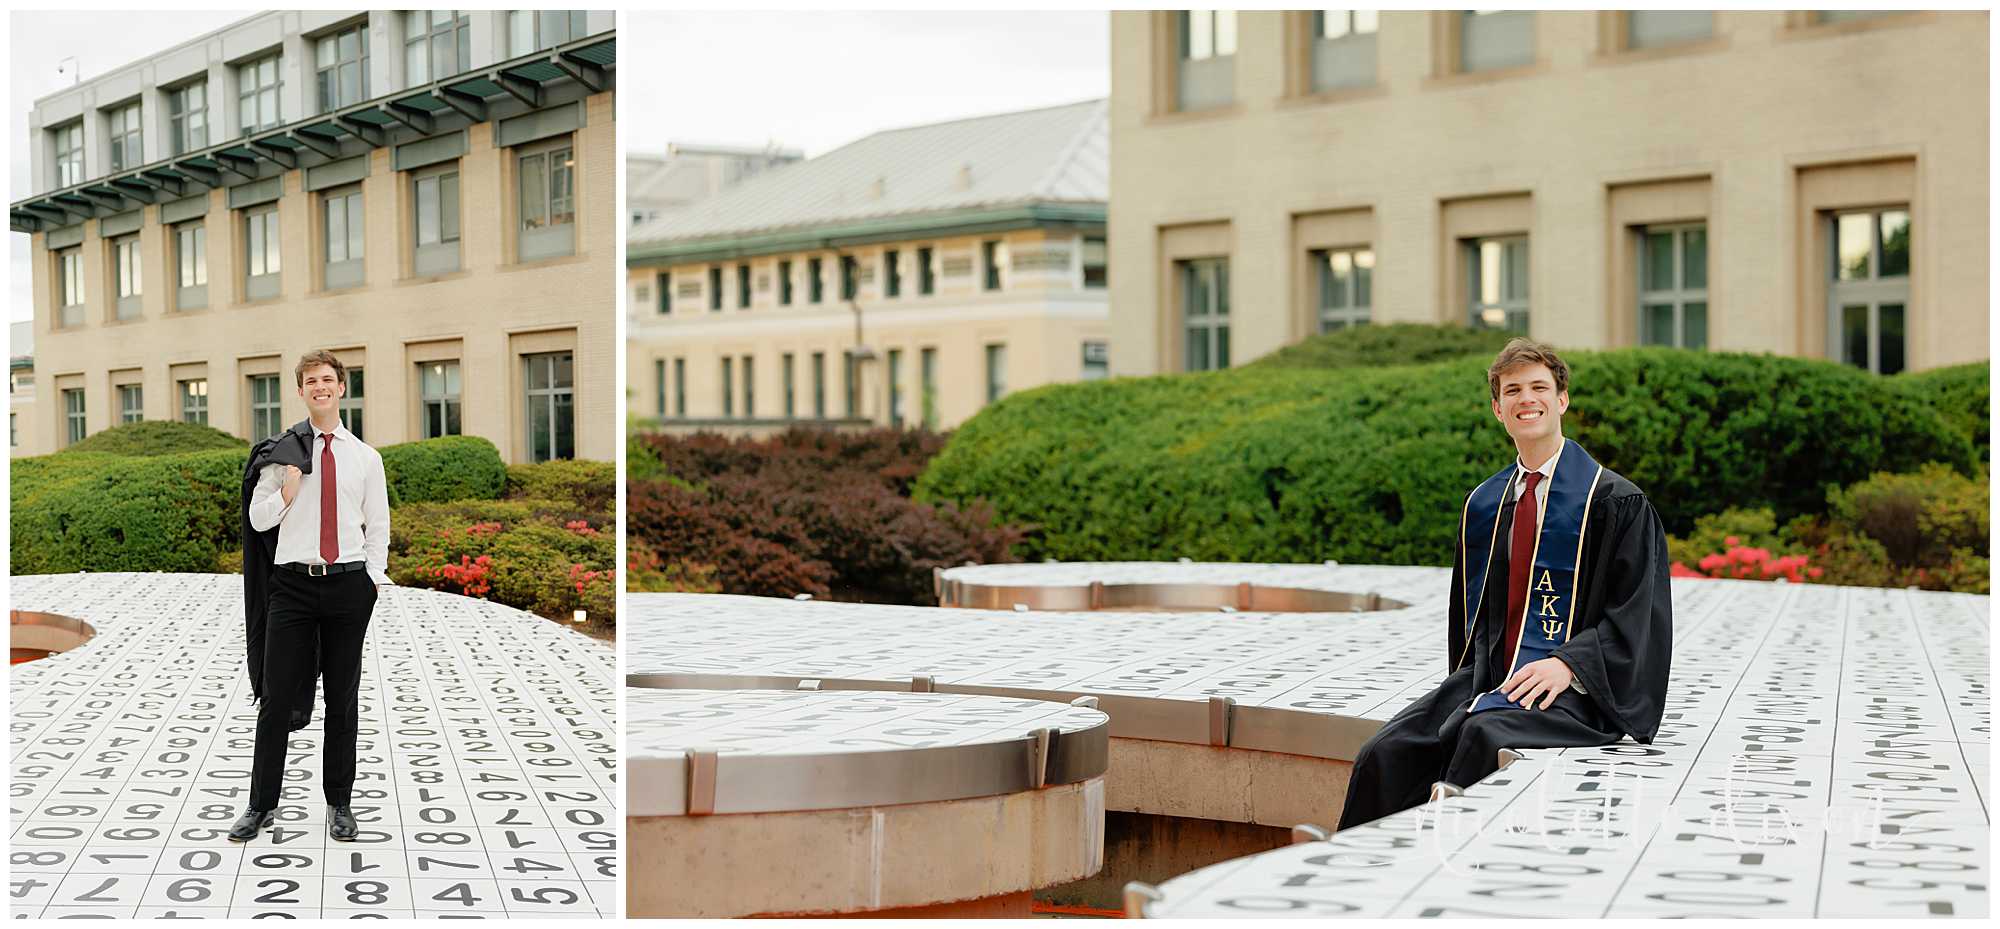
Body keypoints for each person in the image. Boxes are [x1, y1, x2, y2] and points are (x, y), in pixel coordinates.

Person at [1337, 338, 1672, 831]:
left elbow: (1637, 612)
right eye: (1513, 390)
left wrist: (1570, 664)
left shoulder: (1615, 501)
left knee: (1482, 733)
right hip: (1492, 681)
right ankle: (1355, 872)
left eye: (1539, 387)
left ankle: (1444, 861)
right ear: (1498, 409)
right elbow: (1471, 620)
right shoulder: (1487, 503)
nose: (1526, 399)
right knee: (1385, 751)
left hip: (1577, 692)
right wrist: (1470, 681)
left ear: (1562, 400)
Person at [230, 351, 392, 843]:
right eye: (310, 381)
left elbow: (378, 523)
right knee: (276, 699)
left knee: (343, 699)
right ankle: (261, 805)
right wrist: (287, 491)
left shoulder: (366, 457)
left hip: (347, 586)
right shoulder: (283, 453)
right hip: (292, 588)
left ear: (341, 387)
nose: (320, 387)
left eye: (328, 379)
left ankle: (339, 803)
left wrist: (372, 579)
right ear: (300, 391)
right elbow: (257, 520)